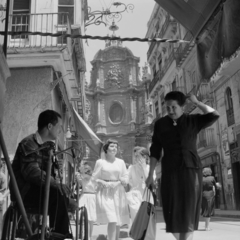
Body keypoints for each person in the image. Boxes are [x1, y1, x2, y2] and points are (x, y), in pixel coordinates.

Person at [146, 91, 220, 240]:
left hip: (191, 170)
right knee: (171, 212)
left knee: (188, 211)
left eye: (174, 107)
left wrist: (198, 103)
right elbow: (155, 150)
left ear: (182, 107)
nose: (171, 111)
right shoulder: (160, 124)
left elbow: (214, 115)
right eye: (168, 108)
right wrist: (150, 175)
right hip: (169, 171)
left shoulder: (193, 120)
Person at [10, 110, 75, 238]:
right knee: (56, 194)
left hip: (40, 191)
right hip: (25, 192)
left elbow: (50, 175)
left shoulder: (48, 146)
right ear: (49, 126)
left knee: (61, 196)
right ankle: (59, 235)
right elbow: (31, 172)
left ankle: (56, 233)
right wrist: (55, 184)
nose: (61, 130)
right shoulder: (29, 143)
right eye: (59, 126)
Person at [91, 139, 129, 240]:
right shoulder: (100, 162)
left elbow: (125, 177)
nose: (114, 148)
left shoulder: (120, 162)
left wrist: (119, 181)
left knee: (117, 220)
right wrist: (102, 182)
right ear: (106, 148)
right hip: (105, 192)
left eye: (116, 147)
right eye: (112, 146)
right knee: (112, 219)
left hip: (117, 191)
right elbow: (94, 178)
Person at [127, 146, 151, 222]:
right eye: (135, 156)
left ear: (145, 157)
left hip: (146, 196)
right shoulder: (131, 168)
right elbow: (126, 180)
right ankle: (135, 233)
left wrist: (144, 168)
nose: (136, 158)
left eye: (138, 156)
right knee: (135, 216)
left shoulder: (149, 168)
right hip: (134, 195)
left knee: (145, 219)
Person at [75, 164, 97, 240]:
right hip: (85, 196)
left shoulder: (93, 178)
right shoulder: (83, 178)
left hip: (92, 197)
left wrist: (81, 173)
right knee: (84, 216)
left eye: (87, 169)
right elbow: (78, 178)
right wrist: (78, 173)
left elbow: (86, 177)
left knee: (91, 218)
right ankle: (84, 234)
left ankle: (89, 236)